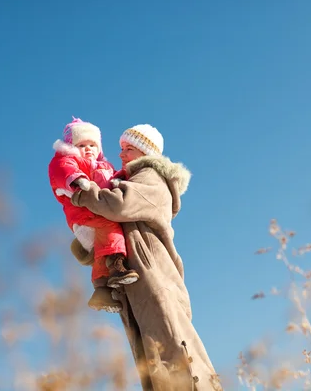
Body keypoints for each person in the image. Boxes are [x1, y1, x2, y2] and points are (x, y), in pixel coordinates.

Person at [69, 124, 223, 390]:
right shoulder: (128, 181)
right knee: (151, 361)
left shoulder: (151, 177)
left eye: (129, 148)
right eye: (120, 149)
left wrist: (81, 194)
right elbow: (105, 232)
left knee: (174, 349)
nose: (121, 154)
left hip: (154, 278)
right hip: (136, 283)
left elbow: (119, 204)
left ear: (147, 152)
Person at [48, 117, 139, 313]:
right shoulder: (68, 160)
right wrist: (77, 179)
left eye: (92, 144)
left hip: (97, 212)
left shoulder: (104, 166)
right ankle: (117, 266)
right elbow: (61, 171)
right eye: (82, 144)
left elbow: (115, 177)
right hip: (83, 214)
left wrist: (124, 178)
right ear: (70, 146)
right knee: (110, 227)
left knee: (102, 246)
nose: (88, 149)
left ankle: (102, 290)